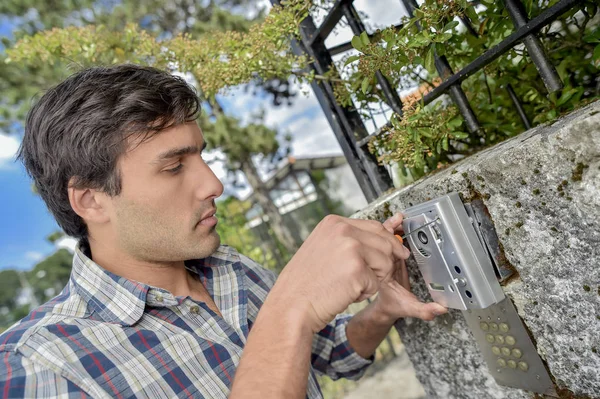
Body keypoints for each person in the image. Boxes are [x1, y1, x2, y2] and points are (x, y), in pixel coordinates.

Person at [0, 64, 446, 398]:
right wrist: (290, 308)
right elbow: (290, 327)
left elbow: (330, 355)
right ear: (91, 200)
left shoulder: (233, 270)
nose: (214, 184)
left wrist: (383, 309)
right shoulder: (39, 365)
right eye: (174, 166)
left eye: (200, 157)